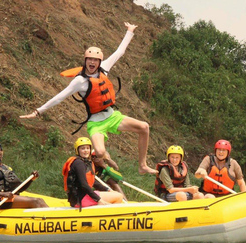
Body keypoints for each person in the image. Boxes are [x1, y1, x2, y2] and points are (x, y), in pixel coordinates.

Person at [20, 22, 157, 175]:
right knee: (99, 150)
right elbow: (59, 97)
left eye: (95, 60)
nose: (92, 62)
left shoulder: (104, 68)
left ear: (99, 62)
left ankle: (143, 165)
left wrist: (130, 32)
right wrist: (37, 112)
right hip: (96, 123)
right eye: (89, 59)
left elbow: (119, 52)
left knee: (144, 127)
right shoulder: (80, 81)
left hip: (112, 116)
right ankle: (105, 161)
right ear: (85, 60)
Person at [0, 141, 48, 209]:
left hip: (11, 198)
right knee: (37, 201)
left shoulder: (7, 168)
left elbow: (19, 189)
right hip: (1, 200)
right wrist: (3, 194)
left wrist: (31, 179)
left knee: (40, 200)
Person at [62, 137, 123, 208]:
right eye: (83, 148)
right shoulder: (79, 163)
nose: (86, 150)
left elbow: (93, 182)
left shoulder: (85, 162)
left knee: (114, 193)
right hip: (80, 200)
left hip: (80, 197)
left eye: (88, 148)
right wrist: (98, 199)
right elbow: (83, 184)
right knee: (119, 196)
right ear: (77, 150)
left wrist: (107, 189)